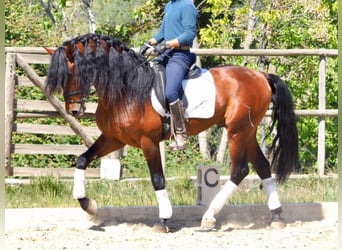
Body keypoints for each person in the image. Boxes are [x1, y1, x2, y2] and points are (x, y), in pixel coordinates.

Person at [147, 0, 198, 151]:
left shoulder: (187, 5)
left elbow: (189, 35)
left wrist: (168, 44)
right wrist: (150, 42)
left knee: (170, 92)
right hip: (165, 55)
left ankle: (181, 133)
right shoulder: (169, 5)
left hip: (180, 55)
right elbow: (163, 32)